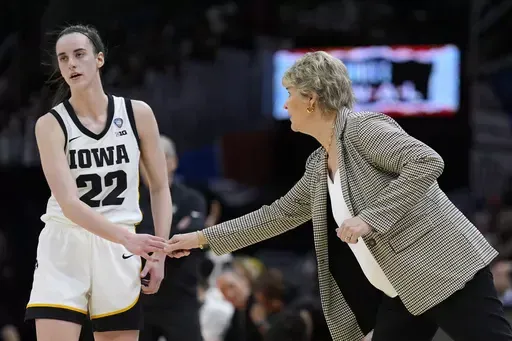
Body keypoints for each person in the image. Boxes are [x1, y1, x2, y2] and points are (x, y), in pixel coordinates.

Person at [165, 51, 512, 341]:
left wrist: (370, 218)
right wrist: (199, 238)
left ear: (312, 99)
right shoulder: (319, 163)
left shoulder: (363, 128)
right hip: (402, 287)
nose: (285, 105)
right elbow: (276, 215)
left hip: (444, 269)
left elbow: (425, 161)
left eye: (290, 94)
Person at [25, 24, 172, 341]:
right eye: (63, 58)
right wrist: (127, 239)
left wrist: (159, 254)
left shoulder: (138, 114)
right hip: (66, 243)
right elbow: (69, 203)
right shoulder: (50, 125)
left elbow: (160, 188)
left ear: (100, 59)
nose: (72, 64)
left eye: (79, 55)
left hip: (118, 248)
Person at [137, 135, 207, 341]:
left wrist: (150, 240)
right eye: (143, 158)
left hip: (180, 297)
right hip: (138, 297)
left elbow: (191, 238)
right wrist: (172, 233)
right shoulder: (130, 201)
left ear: (173, 162)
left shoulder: (191, 198)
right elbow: (129, 239)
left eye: (156, 156)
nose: (148, 163)